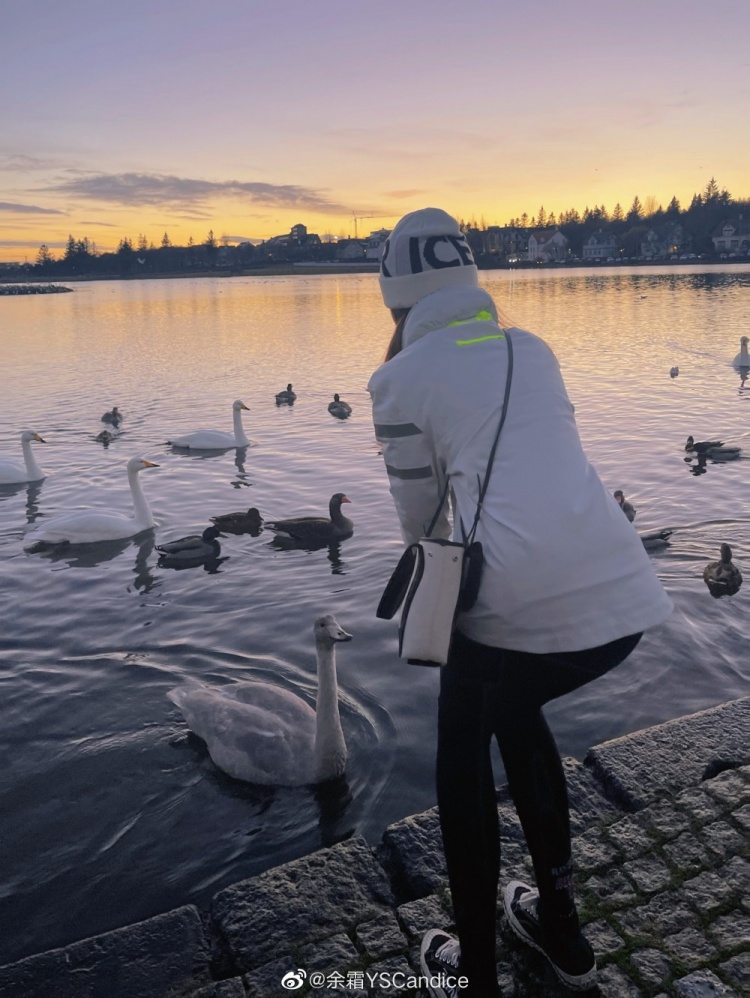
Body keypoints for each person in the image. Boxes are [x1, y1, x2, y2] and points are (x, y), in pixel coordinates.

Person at [368, 208, 673, 997]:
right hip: (624, 598)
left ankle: (474, 973)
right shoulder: (532, 349)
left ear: (396, 299)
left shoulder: (397, 378)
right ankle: (562, 935)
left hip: (513, 610)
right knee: (516, 709)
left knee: (461, 747)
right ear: (472, 279)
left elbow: (423, 531)